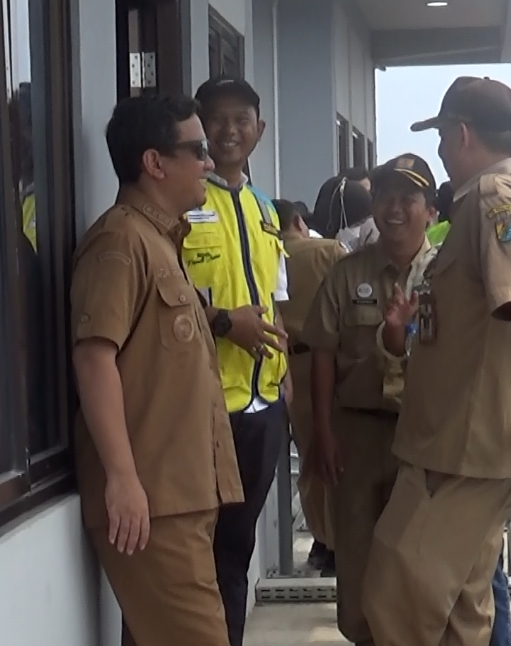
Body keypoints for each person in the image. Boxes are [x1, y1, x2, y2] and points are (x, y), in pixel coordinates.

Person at [363, 76, 511, 646]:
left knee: (395, 597)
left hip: (459, 452)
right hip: (465, 447)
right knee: (462, 612)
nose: (442, 152)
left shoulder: (491, 198)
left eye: (442, 138)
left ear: (460, 134)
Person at [70, 93, 243, 646]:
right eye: (198, 150)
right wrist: (122, 478)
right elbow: (94, 359)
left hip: (183, 497)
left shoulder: (161, 242)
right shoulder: (120, 241)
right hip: (153, 502)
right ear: (154, 163)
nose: (210, 163)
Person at [304, 154, 438, 646]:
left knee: (421, 567)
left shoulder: (446, 277)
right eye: (385, 197)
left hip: (424, 440)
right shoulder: (345, 274)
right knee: (358, 562)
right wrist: (323, 433)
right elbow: (322, 354)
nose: (395, 208)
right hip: (356, 437)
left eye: (409, 198)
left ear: (431, 211)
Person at [184, 75, 293, 646]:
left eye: (241, 120)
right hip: (205, 411)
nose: (229, 130)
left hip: (261, 409)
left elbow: (278, 303)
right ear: (199, 124)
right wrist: (227, 323)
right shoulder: (184, 203)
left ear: (259, 129)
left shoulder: (264, 208)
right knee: (201, 557)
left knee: (239, 549)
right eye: (216, 119)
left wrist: (287, 394)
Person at [424, 178, 511, 646]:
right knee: (479, 575)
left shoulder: (483, 227)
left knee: (479, 574)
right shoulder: (441, 251)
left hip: (472, 442)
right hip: (448, 437)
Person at [273, 199, 347, 575]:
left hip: (284, 367)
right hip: (330, 363)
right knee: (338, 455)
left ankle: (324, 540)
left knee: (309, 459)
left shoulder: (263, 254)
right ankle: (338, 541)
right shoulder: (329, 251)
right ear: (299, 222)